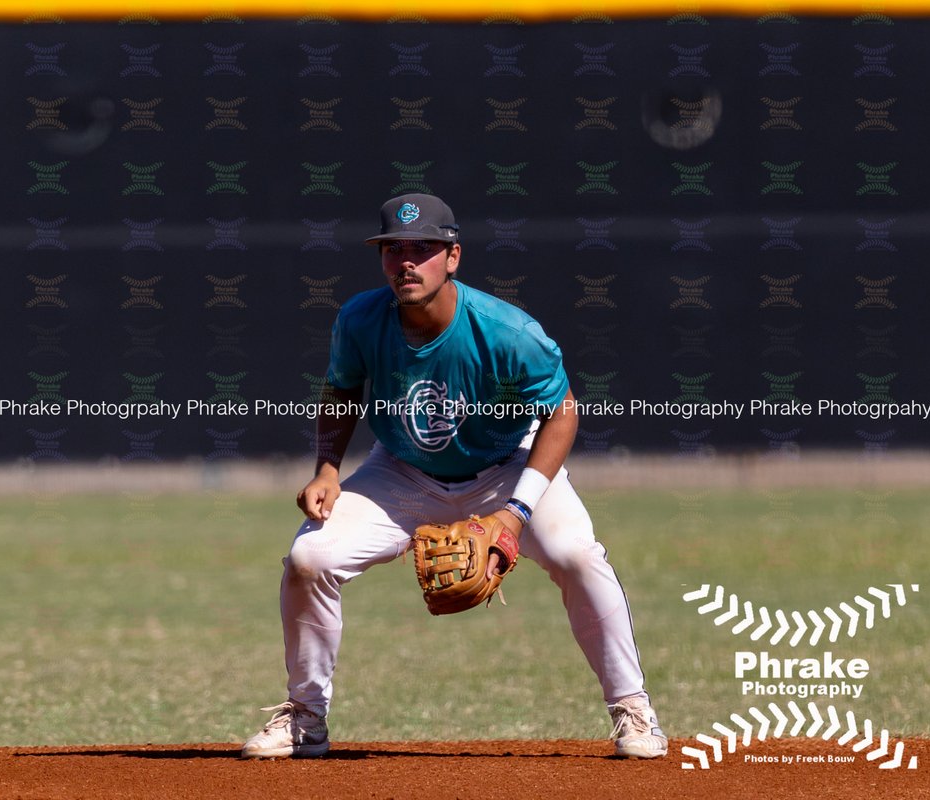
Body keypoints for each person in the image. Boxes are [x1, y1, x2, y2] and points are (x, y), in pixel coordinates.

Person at [240, 193, 667, 760]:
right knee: (309, 560)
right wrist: (326, 468)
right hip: (402, 473)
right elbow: (341, 388)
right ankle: (306, 718)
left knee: (576, 555)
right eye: (393, 249)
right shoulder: (361, 318)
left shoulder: (507, 331)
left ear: (454, 256)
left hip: (502, 467)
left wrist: (515, 514)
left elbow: (562, 413)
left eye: (423, 248)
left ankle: (632, 710)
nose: (406, 261)